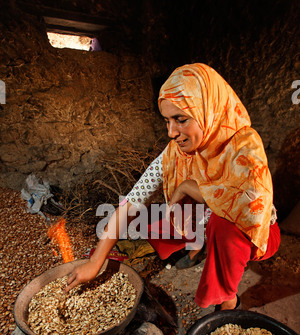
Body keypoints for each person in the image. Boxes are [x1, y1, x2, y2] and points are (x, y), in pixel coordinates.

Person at [66, 63, 280, 311]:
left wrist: (188, 186)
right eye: (167, 121)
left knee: (222, 225)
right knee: (153, 218)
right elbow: (133, 200)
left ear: (207, 110)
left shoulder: (245, 145)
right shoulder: (175, 153)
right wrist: (95, 261)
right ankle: (197, 247)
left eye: (181, 119)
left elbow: (249, 209)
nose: (171, 132)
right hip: (206, 221)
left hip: (255, 234)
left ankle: (228, 300)